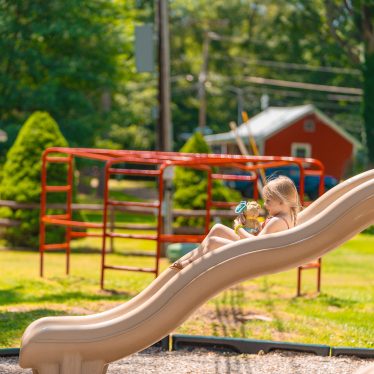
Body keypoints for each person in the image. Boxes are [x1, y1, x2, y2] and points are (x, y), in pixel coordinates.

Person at [170, 175, 301, 270]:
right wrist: (251, 223)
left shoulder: (277, 221)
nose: (265, 205)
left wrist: (238, 228)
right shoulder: (287, 217)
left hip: (253, 256)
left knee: (213, 242)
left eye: (268, 201)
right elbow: (263, 235)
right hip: (253, 251)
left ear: (281, 202)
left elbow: (256, 244)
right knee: (217, 228)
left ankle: (190, 264)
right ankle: (195, 255)